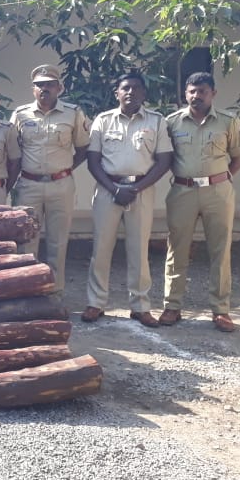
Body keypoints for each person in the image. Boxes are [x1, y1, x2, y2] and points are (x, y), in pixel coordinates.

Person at [81, 71, 173, 327]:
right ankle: (96, 303)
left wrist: (136, 188)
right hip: (107, 189)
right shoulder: (103, 120)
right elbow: (93, 160)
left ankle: (141, 306)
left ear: (144, 93)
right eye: (125, 88)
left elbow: (164, 160)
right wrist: (113, 188)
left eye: (136, 88)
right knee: (101, 248)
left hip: (141, 190)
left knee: (139, 249)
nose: (131, 92)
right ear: (117, 93)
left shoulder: (157, 121)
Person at [160, 71, 240, 332]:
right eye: (192, 92)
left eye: (203, 91)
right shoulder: (172, 122)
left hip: (218, 192)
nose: (196, 96)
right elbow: (165, 158)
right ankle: (172, 306)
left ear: (213, 94)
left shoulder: (228, 122)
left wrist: (221, 178)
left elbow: (239, 157)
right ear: (185, 94)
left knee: (220, 250)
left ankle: (221, 310)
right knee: (177, 248)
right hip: (182, 191)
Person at [11, 64, 91, 293]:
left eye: (49, 84)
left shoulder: (73, 113)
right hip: (28, 185)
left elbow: (83, 149)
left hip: (61, 185)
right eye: (39, 85)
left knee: (58, 242)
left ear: (59, 88)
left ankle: (54, 292)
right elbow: (14, 150)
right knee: (26, 241)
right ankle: (25, 291)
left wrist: (64, 169)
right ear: (33, 89)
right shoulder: (20, 114)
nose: (44, 89)